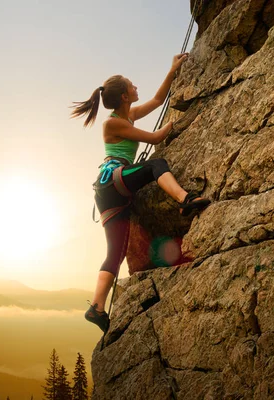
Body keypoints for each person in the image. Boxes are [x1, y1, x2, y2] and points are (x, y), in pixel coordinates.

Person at [70, 53, 210, 333]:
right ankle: (184, 198)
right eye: (132, 86)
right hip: (114, 180)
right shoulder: (113, 124)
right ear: (124, 96)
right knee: (155, 165)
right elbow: (157, 138)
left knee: (117, 252)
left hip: (110, 191)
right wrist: (185, 118)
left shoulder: (127, 116)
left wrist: (172, 70)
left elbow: (158, 102)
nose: (136, 87)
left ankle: (96, 308)